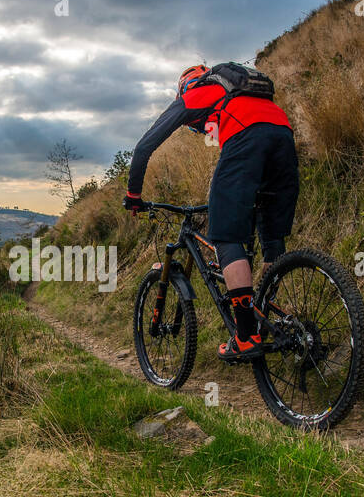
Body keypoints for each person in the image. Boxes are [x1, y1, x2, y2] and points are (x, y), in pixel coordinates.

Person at [124, 63, 299, 361]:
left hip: (247, 137)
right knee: (271, 240)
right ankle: (269, 317)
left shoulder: (198, 92)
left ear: (185, 88)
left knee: (226, 237)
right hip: (283, 135)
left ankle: (245, 337)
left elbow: (144, 148)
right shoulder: (238, 94)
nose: (196, 128)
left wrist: (134, 195)